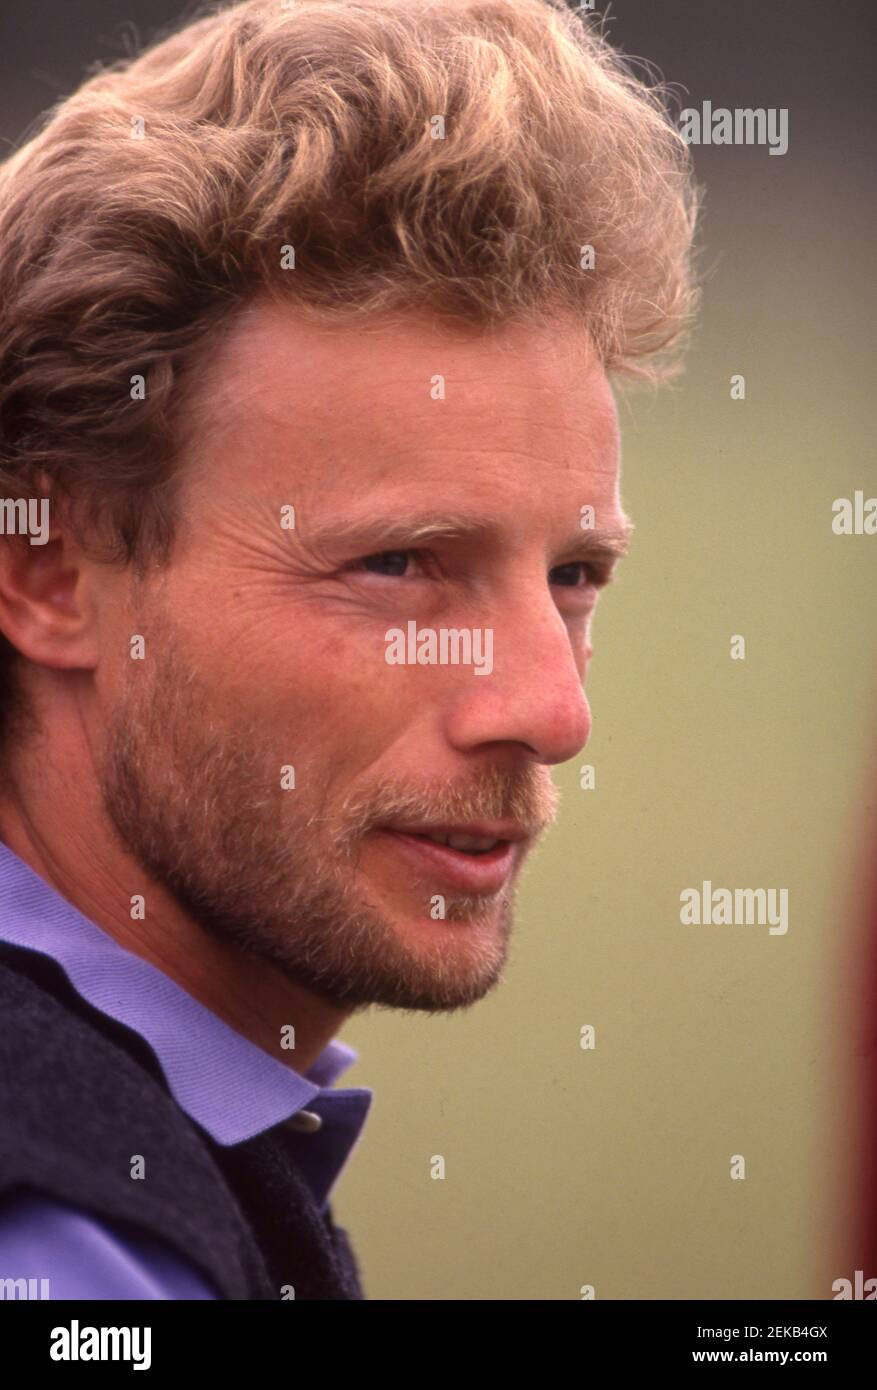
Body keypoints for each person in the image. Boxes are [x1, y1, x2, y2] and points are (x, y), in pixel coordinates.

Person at [0, 0, 699, 1299]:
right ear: (49, 567)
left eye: (573, 576)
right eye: (396, 566)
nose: (550, 710)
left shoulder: (160, 1154)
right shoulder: (68, 1252)